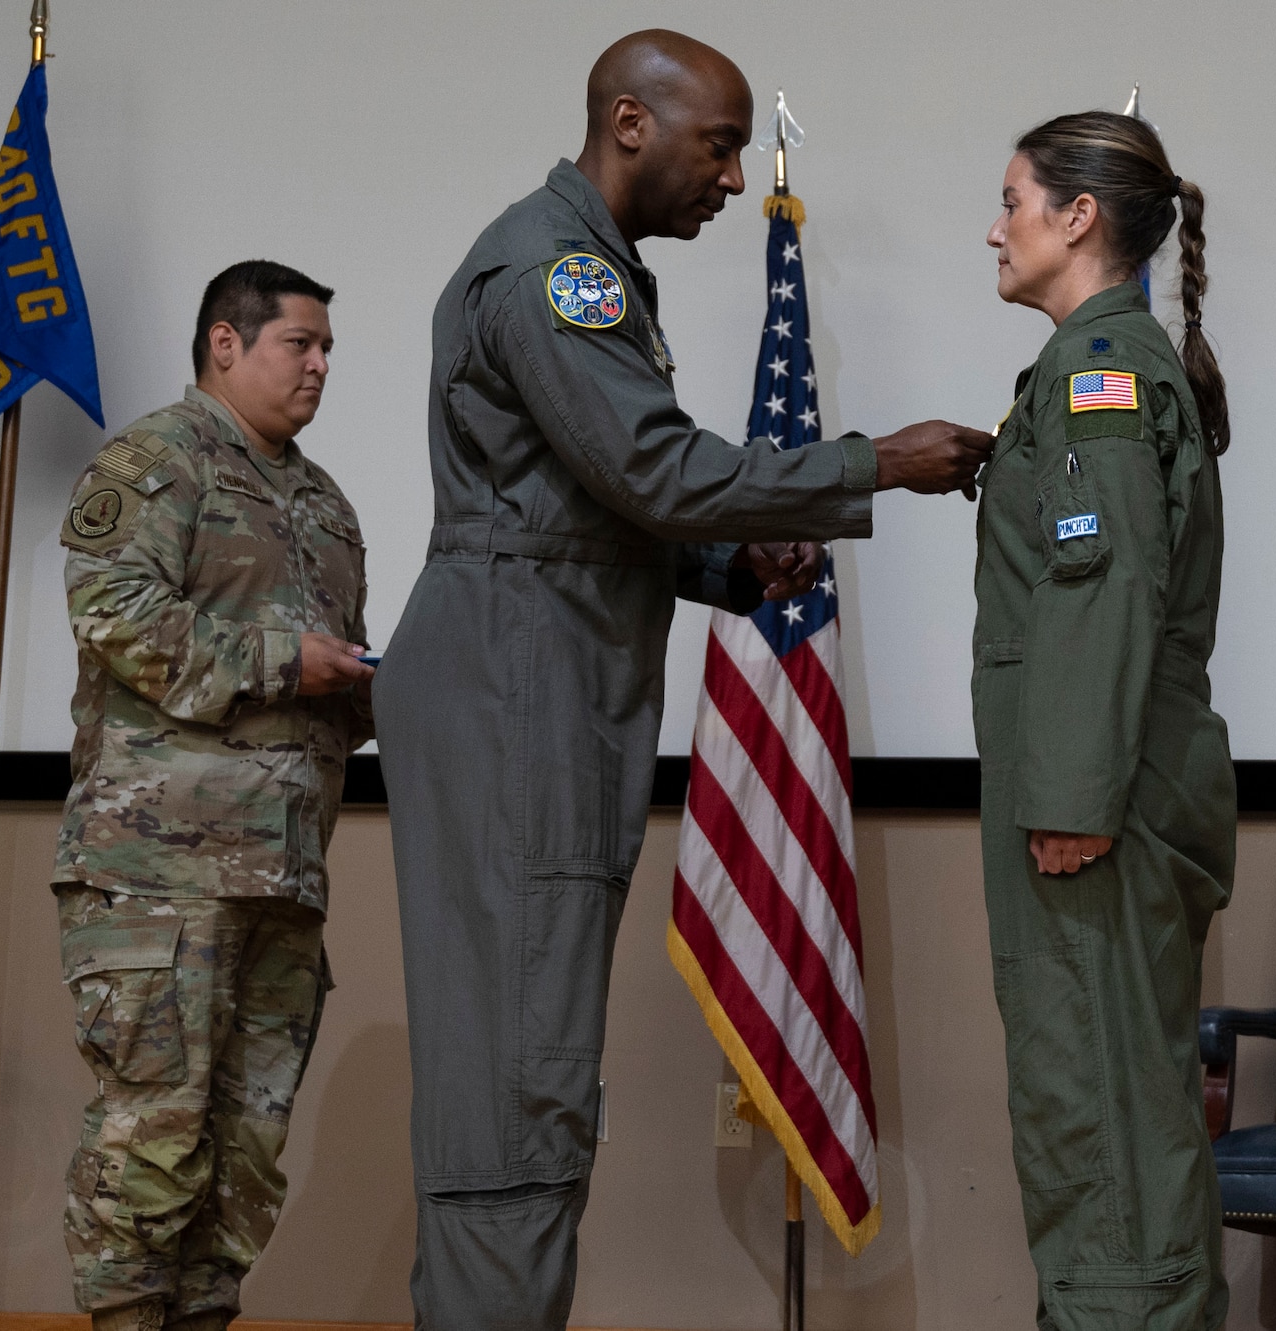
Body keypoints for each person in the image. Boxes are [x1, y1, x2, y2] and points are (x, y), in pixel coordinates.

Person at [371, 28, 992, 1330]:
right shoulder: (554, 274)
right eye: (715, 149)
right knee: (516, 1098)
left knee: (528, 1081)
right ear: (630, 124)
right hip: (518, 707)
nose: (727, 179)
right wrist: (871, 461)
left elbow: (578, 510)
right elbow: (650, 468)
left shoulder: (595, 268)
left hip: (543, 694)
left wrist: (722, 569)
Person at [51, 260, 374, 1331]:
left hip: (281, 876)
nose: (322, 364)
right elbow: (117, 614)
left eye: (328, 347)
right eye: (301, 343)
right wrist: (291, 661)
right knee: (155, 1140)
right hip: (159, 879)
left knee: (243, 1156)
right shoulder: (157, 458)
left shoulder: (325, 505)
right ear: (226, 344)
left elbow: (329, 690)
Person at [972, 111, 1236, 1330]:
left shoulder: (1096, 373)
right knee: (1101, 1105)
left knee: (1102, 1121)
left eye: (1014, 200)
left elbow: (1103, 585)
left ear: (1078, 217)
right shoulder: (1095, 366)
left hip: (1095, 809)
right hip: (1102, 796)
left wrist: (1070, 800)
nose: (996, 226)